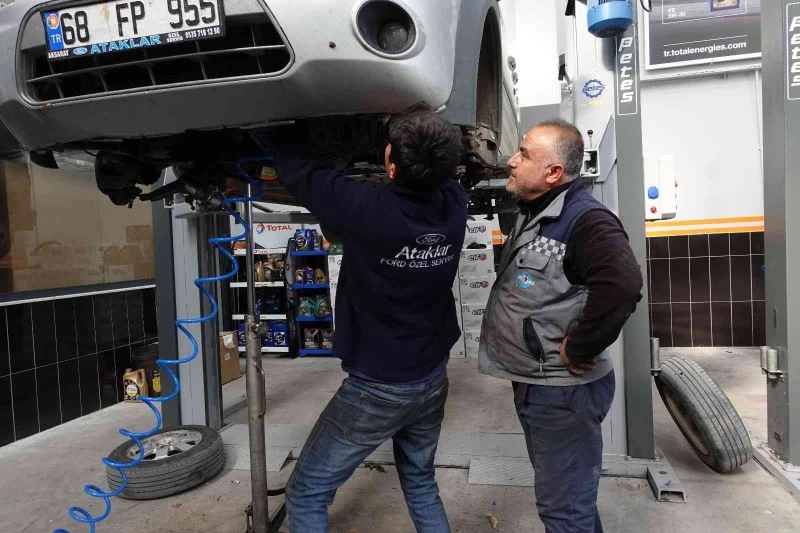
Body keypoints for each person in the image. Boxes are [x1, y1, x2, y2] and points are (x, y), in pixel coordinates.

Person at [271, 107, 467, 533]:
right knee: (420, 480)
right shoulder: (455, 204)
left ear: (390, 164)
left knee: (306, 493)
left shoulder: (363, 206)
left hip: (378, 387)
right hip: (432, 375)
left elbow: (296, 165)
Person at [478, 119, 643, 533]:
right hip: (539, 384)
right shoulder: (539, 211)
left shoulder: (586, 220)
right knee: (571, 501)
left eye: (524, 154)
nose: (511, 161)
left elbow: (622, 285)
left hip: (562, 393)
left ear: (553, 173)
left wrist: (580, 346)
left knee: (563, 511)